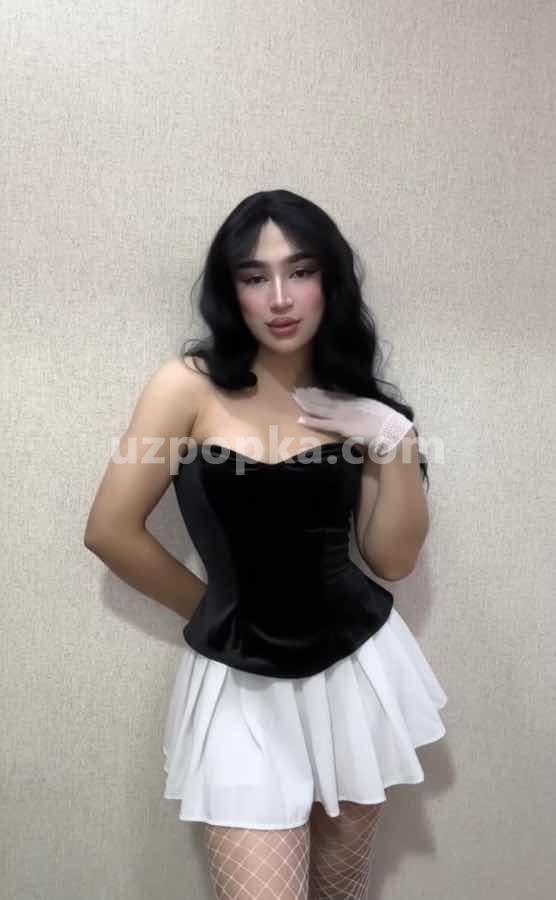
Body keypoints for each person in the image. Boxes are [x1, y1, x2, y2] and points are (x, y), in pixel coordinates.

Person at [84, 189, 447, 900]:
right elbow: (110, 531)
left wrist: (394, 437)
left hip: (355, 674)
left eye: (300, 271)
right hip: (239, 683)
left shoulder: (354, 401)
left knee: (342, 893)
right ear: (232, 292)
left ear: (329, 281)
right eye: (255, 277)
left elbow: (393, 560)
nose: (279, 298)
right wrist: (215, 609)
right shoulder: (187, 388)